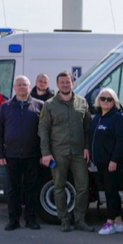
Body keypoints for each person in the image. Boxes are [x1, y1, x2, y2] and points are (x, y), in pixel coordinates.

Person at [39, 71, 93, 232]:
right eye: (62, 82)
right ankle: (64, 219)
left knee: (83, 186)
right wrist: (46, 152)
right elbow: (43, 130)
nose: (65, 85)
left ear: (72, 83)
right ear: (57, 85)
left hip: (78, 153)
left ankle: (80, 220)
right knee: (59, 186)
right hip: (58, 153)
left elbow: (88, 128)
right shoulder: (49, 105)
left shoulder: (82, 102)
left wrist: (87, 147)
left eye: (67, 82)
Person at [0, 75, 45, 231]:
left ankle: (31, 219)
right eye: (19, 84)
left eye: (25, 84)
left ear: (30, 87)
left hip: (33, 155)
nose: (22, 87)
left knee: (31, 189)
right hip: (12, 155)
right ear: (14, 88)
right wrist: (0, 154)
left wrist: (44, 153)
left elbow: (44, 132)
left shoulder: (39, 105)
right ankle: (14, 220)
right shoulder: (5, 106)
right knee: (13, 189)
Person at [87, 88, 123, 235]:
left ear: (114, 101)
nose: (105, 101)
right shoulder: (98, 117)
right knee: (111, 191)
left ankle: (110, 222)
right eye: (103, 98)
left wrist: (114, 160)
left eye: (109, 99)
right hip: (99, 162)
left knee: (110, 192)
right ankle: (118, 221)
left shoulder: (117, 117)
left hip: (111, 162)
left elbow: (121, 141)